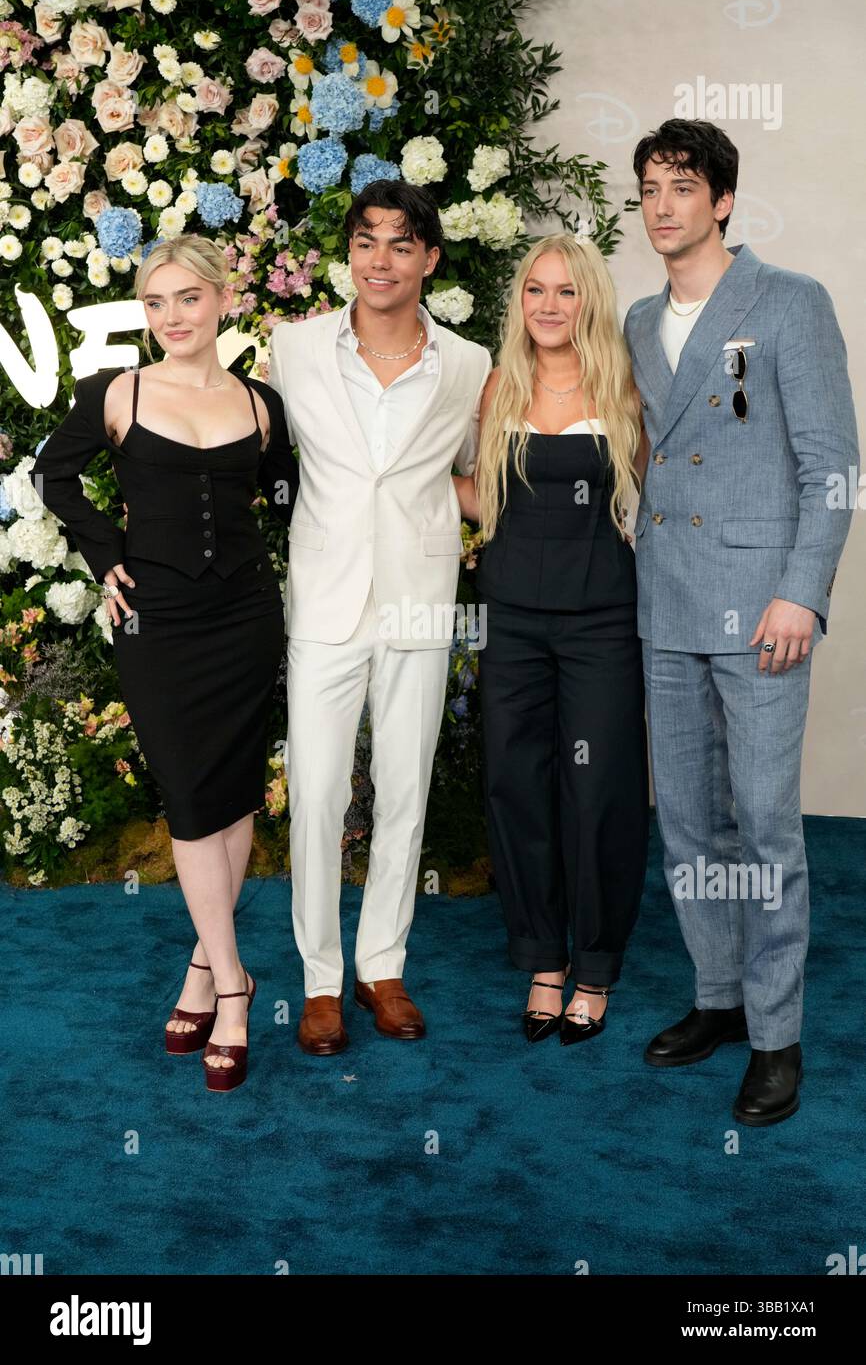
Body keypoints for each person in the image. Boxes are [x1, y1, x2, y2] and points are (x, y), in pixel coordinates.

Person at [623, 119, 860, 1125]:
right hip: (666, 602)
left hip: (761, 607)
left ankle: (774, 1034)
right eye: (647, 189)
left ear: (720, 199)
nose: (661, 205)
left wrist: (800, 589)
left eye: (681, 186)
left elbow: (831, 467)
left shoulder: (788, 303)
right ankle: (715, 996)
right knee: (685, 821)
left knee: (763, 825)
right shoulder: (636, 320)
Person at [29, 233, 299, 1093]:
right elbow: (54, 476)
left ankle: (200, 973)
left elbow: (290, 496)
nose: (172, 317)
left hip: (247, 616)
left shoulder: (262, 403)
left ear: (223, 301)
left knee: (229, 791)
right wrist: (106, 552)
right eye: (155, 302)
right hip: (157, 618)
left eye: (188, 298)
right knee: (188, 797)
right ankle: (235, 987)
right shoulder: (115, 393)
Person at [267, 180, 492, 1055]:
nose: (382, 261)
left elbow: (477, 478)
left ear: (430, 259)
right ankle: (321, 980)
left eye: (402, 244)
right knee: (319, 792)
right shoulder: (292, 348)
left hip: (418, 600)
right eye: (367, 242)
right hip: (323, 599)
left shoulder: (469, 364)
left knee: (404, 787)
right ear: (348, 254)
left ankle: (381, 965)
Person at [455, 230, 650, 1044]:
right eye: (535, 290)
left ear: (589, 301)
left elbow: (665, 497)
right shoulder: (499, 384)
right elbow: (476, 496)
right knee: (516, 782)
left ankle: (596, 963)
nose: (548, 305)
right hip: (510, 617)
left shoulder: (625, 386)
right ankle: (541, 954)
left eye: (565, 291)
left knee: (600, 789)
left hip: (602, 617)